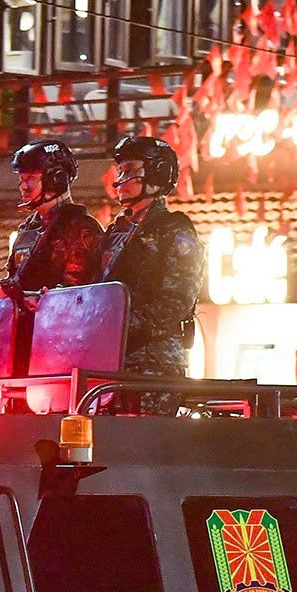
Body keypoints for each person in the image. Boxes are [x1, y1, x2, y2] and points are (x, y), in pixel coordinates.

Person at [99, 135, 203, 416]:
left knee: (143, 446)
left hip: (153, 364)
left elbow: (175, 302)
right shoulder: (115, 232)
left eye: (131, 171)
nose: (120, 179)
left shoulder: (174, 230)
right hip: (109, 361)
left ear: (156, 175)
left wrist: (119, 326)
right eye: (120, 171)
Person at [0, 141, 103, 307]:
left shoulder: (82, 228)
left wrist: (40, 300)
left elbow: (78, 296)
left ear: (56, 179)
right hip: (23, 328)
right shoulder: (28, 229)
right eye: (22, 179)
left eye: (31, 179)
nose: (23, 187)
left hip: (59, 329)